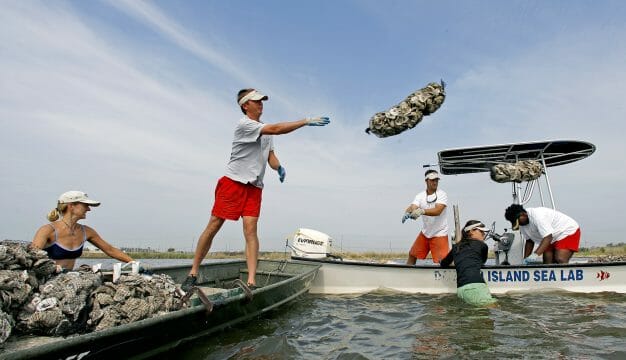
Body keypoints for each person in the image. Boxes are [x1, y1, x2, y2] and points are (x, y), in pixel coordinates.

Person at [182, 88, 330, 291]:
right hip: (233, 182)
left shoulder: (265, 130)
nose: (261, 104)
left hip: (254, 187)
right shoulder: (245, 125)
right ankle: (193, 273)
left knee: (251, 230)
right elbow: (277, 129)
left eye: (262, 101)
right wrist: (305, 121)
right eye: (256, 101)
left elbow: (270, 156)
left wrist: (279, 167)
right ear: (245, 105)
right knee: (214, 225)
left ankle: (251, 281)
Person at [31, 191, 134, 271]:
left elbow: (110, 250)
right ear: (71, 206)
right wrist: (52, 268)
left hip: (68, 279)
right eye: (85, 205)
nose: (89, 209)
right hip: (48, 280)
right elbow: (32, 257)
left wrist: (133, 263)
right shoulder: (47, 230)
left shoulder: (86, 231)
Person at [440, 220, 497, 307]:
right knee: (493, 310)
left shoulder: (456, 247)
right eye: (481, 231)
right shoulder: (482, 246)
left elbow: (443, 264)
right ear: (471, 231)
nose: (484, 234)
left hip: (461, 290)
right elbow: (482, 261)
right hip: (476, 286)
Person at [504, 204, 581, 264]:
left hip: (566, 231)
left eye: (518, 221)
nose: (519, 224)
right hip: (550, 237)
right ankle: (550, 284)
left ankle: (566, 282)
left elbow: (548, 237)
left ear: (524, 214)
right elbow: (529, 241)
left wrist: (535, 255)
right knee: (547, 262)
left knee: (560, 259)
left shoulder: (538, 216)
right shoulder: (522, 224)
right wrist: (526, 259)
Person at [402, 169, 450, 264]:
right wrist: (408, 212)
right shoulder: (420, 196)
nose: (435, 182)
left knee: (443, 262)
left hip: (439, 233)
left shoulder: (442, 194)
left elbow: (438, 211)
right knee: (412, 254)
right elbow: (413, 206)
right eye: (432, 180)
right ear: (426, 181)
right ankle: (407, 274)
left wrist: (422, 211)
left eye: (436, 180)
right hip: (425, 233)